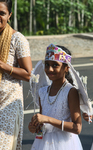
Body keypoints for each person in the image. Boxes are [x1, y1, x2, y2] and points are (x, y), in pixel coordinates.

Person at [28, 43, 93, 150]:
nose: (49, 69)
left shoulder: (70, 92)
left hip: (65, 143)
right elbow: (42, 123)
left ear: (66, 68)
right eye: (47, 64)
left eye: (55, 65)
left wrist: (48, 119)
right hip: (44, 144)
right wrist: (35, 127)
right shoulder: (42, 92)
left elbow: (77, 128)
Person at [0, 0, 32, 150]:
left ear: (9, 15)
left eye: (2, 13)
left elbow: (28, 74)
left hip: (8, 104)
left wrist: (4, 66)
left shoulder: (18, 39)